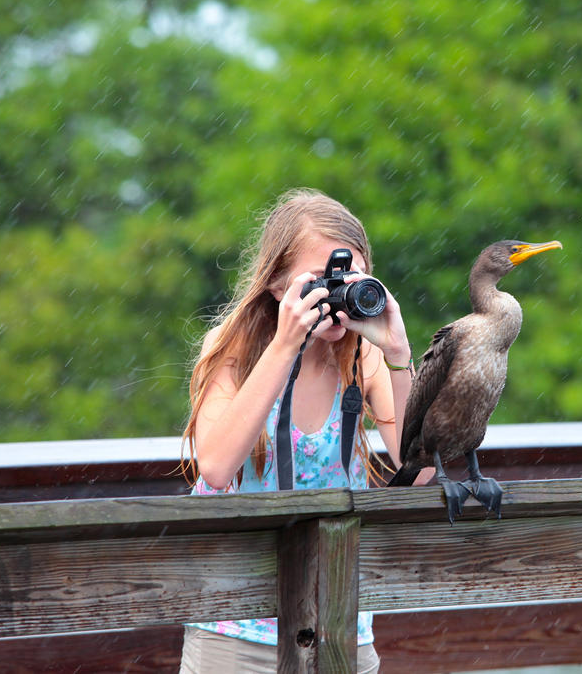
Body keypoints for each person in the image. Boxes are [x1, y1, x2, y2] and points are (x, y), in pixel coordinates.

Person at [179, 188, 431, 673]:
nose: (333, 295)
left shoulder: (364, 356)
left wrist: (399, 355)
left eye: (348, 279)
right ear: (276, 284)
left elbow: (417, 476)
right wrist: (285, 344)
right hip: (236, 618)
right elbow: (214, 467)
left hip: (337, 616)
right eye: (317, 281)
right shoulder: (236, 347)